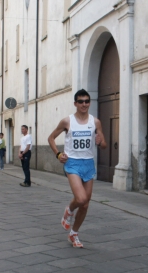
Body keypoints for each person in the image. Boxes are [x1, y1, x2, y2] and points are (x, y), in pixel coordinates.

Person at [48, 89, 106, 248]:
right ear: (75, 103)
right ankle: (69, 210)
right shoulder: (67, 121)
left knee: (86, 204)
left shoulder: (95, 122)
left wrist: (100, 142)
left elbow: (104, 145)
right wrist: (58, 154)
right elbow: (51, 138)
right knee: (80, 199)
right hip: (72, 163)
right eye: (80, 101)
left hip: (88, 163)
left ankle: (74, 233)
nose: (84, 104)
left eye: (87, 101)